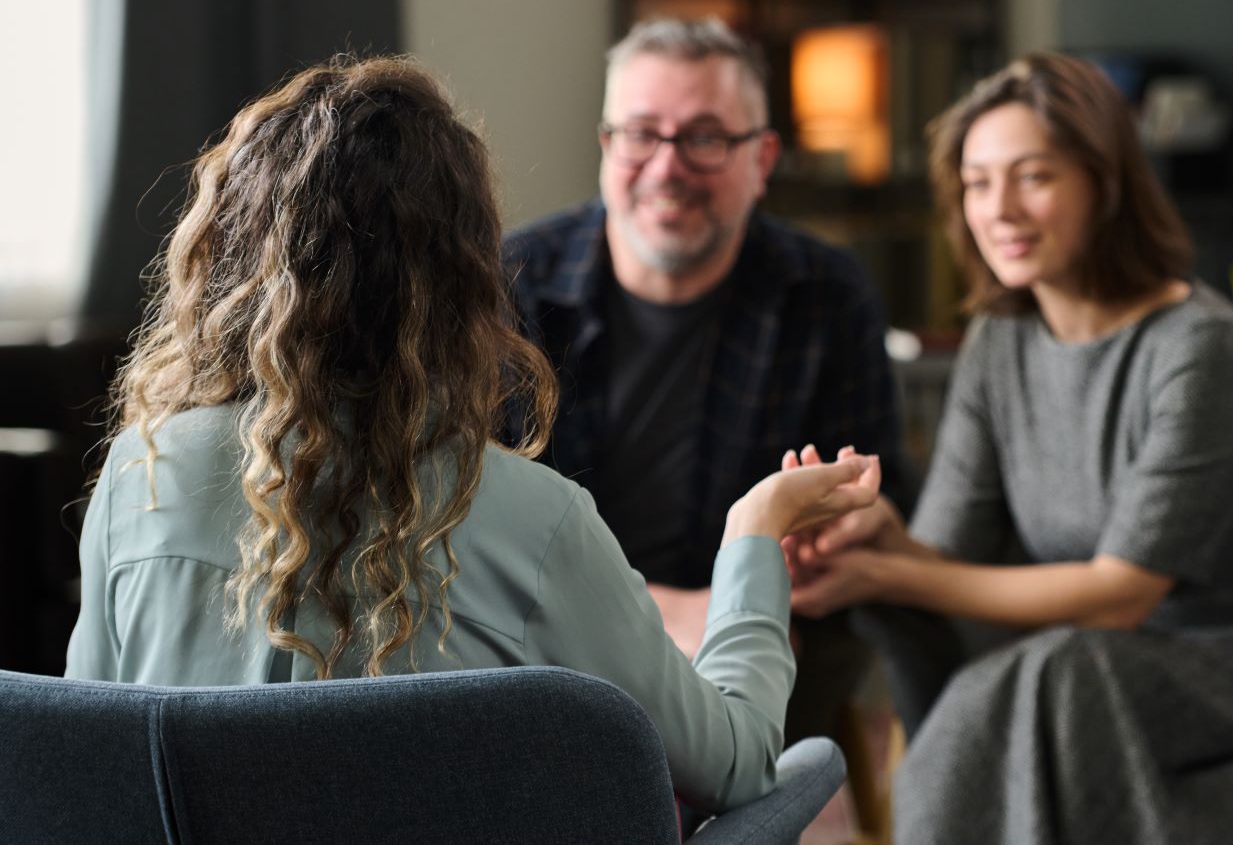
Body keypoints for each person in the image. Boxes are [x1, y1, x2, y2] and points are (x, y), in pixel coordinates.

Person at [64, 55, 881, 814]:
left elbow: (89, 762)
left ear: (231, 253)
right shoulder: (536, 519)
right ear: (466, 279)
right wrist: (756, 533)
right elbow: (735, 762)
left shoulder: (142, 471)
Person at [786, 53, 1233, 843]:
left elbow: (1122, 595)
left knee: (1058, 670)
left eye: (1032, 176)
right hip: (1103, 673)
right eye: (977, 182)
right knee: (1056, 672)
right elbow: (946, 562)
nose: (999, 208)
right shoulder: (998, 343)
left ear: (1105, 183)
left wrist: (888, 569)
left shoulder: (1200, 348)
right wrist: (873, 535)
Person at [500, 17, 910, 744]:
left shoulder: (827, 294)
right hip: (549, 635)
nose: (667, 167)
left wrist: (841, 529)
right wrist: (657, 614)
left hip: (758, 634)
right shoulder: (512, 284)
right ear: (605, 145)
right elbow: (477, 521)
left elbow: (884, 507)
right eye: (640, 133)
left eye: (706, 137)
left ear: (764, 158)